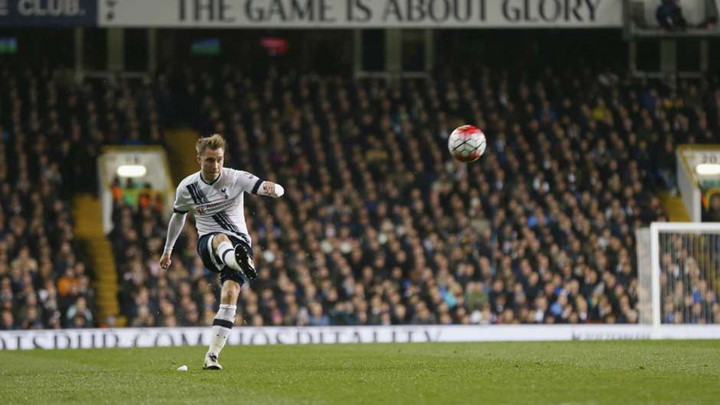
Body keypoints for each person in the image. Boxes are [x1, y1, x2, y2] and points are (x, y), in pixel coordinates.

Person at [159, 134, 284, 370]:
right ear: (198, 159)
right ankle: (239, 261)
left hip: (241, 243)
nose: (215, 165)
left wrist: (274, 189)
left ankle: (212, 356)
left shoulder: (235, 177)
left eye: (219, 159)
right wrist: (168, 251)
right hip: (208, 242)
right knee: (220, 238)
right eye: (209, 160)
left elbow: (262, 186)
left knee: (230, 294)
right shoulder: (188, 187)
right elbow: (178, 217)